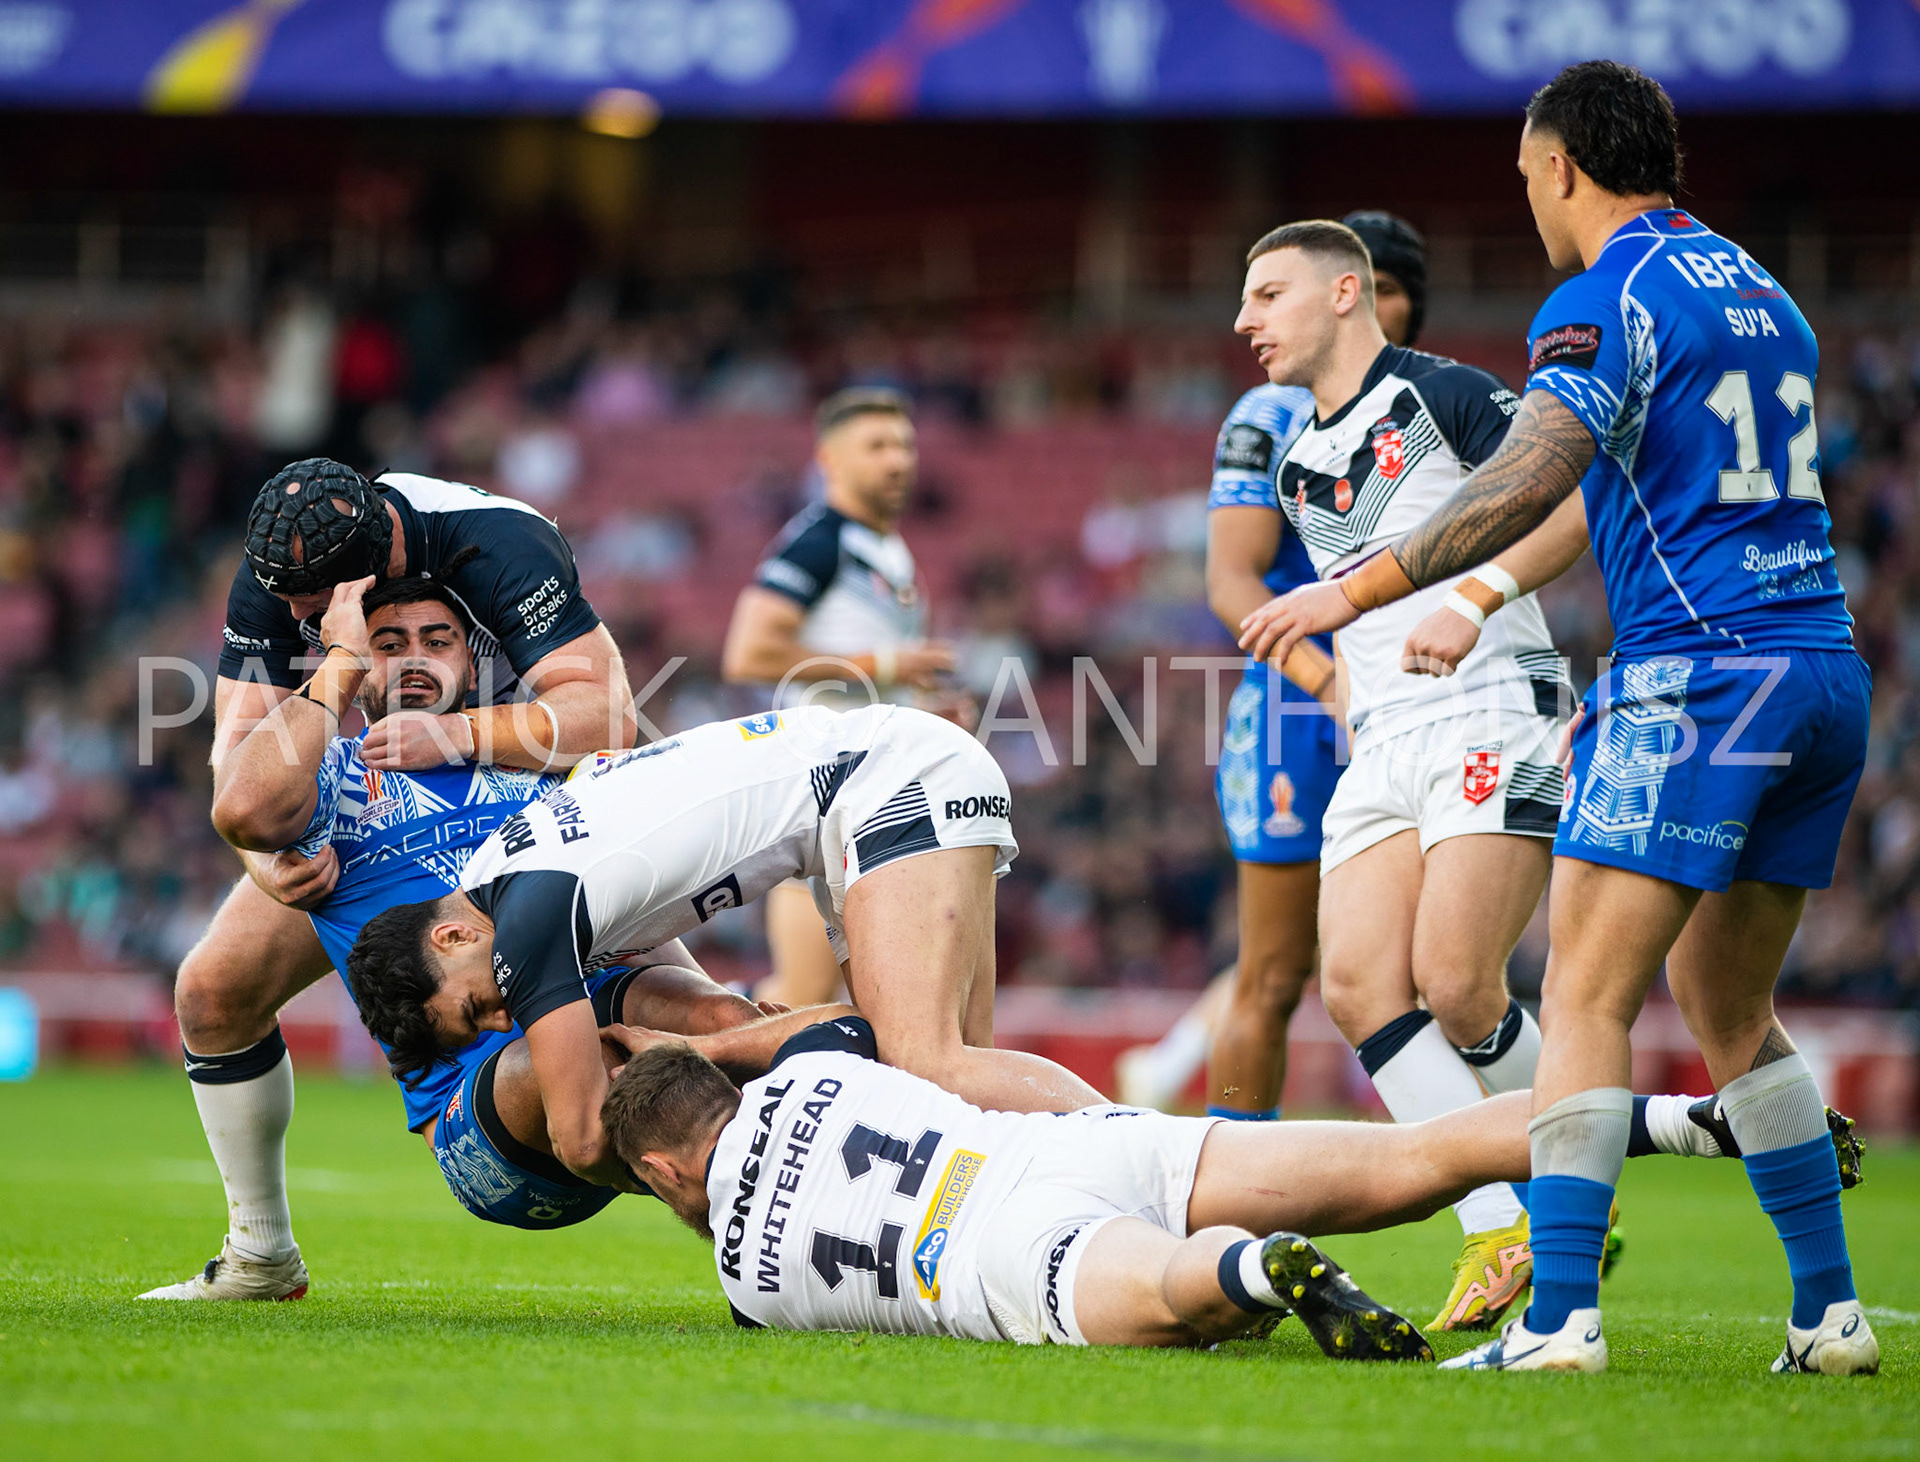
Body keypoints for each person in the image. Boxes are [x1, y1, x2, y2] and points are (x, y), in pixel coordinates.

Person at [1239, 61, 1876, 1376]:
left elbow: (1533, 474)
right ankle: (1831, 1317)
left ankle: (1560, 1316)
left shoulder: (1603, 297)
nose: (1528, 198)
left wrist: (1353, 590)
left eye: (1527, 175)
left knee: (1581, 994)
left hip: (1697, 670)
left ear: (1562, 168)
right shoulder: (1761, 288)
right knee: (1725, 997)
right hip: (1821, 664)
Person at [142, 573, 763, 1275]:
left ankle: (820, 1189)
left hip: (605, 1022)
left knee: (724, 1016)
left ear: (471, 659)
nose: (413, 658)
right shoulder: (334, 780)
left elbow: (636, 903)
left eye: (436, 641)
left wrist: (715, 1016)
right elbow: (245, 807)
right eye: (387, 644)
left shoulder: (539, 763)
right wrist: (337, 666)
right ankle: (258, 1252)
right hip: (494, 1120)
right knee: (607, 1060)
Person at [1227, 218, 1597, 1333]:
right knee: (1354, 986)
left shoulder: (1449, 395)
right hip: (1386, 738)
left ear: (1348, 294)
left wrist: (1472, 599)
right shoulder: (1295, 461)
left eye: (1267, 294)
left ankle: (1613, 1138)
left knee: (1460, 983)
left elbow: (1572, 507)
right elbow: (1351, 619)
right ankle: (1498, 1226)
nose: (1245, 321)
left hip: (1491, 701)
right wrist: (1345, 697)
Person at [152, 460, 638, 1301]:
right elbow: (236, 764)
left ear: (362, 573)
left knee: (657, 977)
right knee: (212, 991)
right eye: (294, 607)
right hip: (366, 790)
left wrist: (449, 736)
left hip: (515, 782)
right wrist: (266, 863)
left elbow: (612, 723)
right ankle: (261, 1255)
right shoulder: (287, 560)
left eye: (315, 608)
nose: (296, 618)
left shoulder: (500, 546)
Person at [601, 1018, 1753, 1352]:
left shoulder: (742, 1279)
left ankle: (1263, 1267)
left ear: (658, 1170)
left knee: (1171, 1292)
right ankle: (1688, 1118)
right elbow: (823, 1027)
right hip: (1075, 1145)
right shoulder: (818, 1066)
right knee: (1416, 1157)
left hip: (995, 1252)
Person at [345, 701, 1106, 1185]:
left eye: (475, 1007)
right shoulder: (500, 872)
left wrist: (730, 1184)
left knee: (925, 1063)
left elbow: (578, 1139)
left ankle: (1160, 1163)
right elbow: (686, 995)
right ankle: (1092, 1212)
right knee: (951, 1083)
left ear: (450, 936)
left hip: (885, 781)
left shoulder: (525, 924)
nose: (500, 1022)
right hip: (868, 782)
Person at [1120, 213, 1430, 1124]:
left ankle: (1524, 1199)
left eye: (1403, 290)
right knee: (1272, 973)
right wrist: (1331, 686)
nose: (1390, 306)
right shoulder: (1270, 413)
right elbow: (1232, 582)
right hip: (1302, 711)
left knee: (1437, 969)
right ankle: (1229, 1195)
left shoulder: (1433, 402)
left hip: (1416, 699)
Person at [722, 389, 961, 1012]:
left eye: (905, 445)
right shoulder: (818, 542)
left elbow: (874, 672)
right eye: (877, 446)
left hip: (874, 791)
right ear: (829, 457)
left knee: (833, 998)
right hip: (821, 791)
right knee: (802, 997)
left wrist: (922, 708)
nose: (897, 460)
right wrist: (883, 666)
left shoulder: (888, 549)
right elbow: (749, 652)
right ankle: (679, 1038)